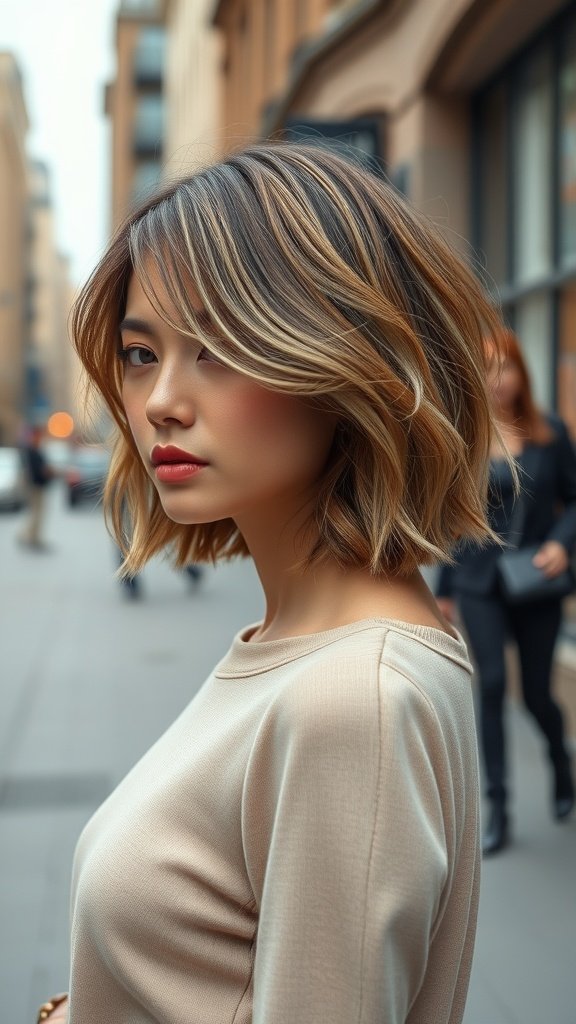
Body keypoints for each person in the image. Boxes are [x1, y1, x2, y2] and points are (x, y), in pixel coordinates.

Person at [39, 141, 505, 1024]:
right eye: (142, 354)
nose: (162, 401)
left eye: (218, 346)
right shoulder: (303, 650)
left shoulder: (350, 695)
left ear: (345, 361)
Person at [437, 328, 576, 857]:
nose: (499, 380)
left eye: (508, 368)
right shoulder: (465, 437)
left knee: (538, 694)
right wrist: (444, 589)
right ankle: (499, 808)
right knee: (491, 686)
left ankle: (560, 761)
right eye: (488, 368)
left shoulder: (551, 435)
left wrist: (563, 544)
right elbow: (453, 520)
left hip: (537, 578)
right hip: (478, 581)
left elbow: (574, 497)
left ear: (524, 374)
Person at [17, 424, 55, 551]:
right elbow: (38, 470)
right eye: (39, 435)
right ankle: (31, 538)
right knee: (37, 513)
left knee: (36, 513)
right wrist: (49, 471)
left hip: (37, 486)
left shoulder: (33, 450)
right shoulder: (31, 451)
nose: (40, 438)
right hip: (35, 486)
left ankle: (27, 536)